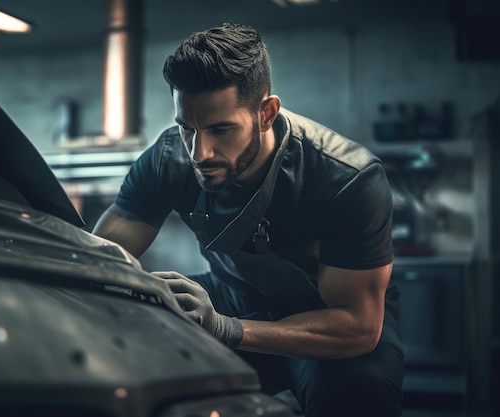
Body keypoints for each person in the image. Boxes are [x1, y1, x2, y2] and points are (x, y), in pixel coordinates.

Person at [93, 23, 403, 417]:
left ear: (266, 113)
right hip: (232, 294)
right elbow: (102, 258)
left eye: (221, 129)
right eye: (187, 128)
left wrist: (227, 329)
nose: (199, 152)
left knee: (360, 392)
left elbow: (358, 325)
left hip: (327, 311)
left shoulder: (347, 178)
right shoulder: (168, 159)